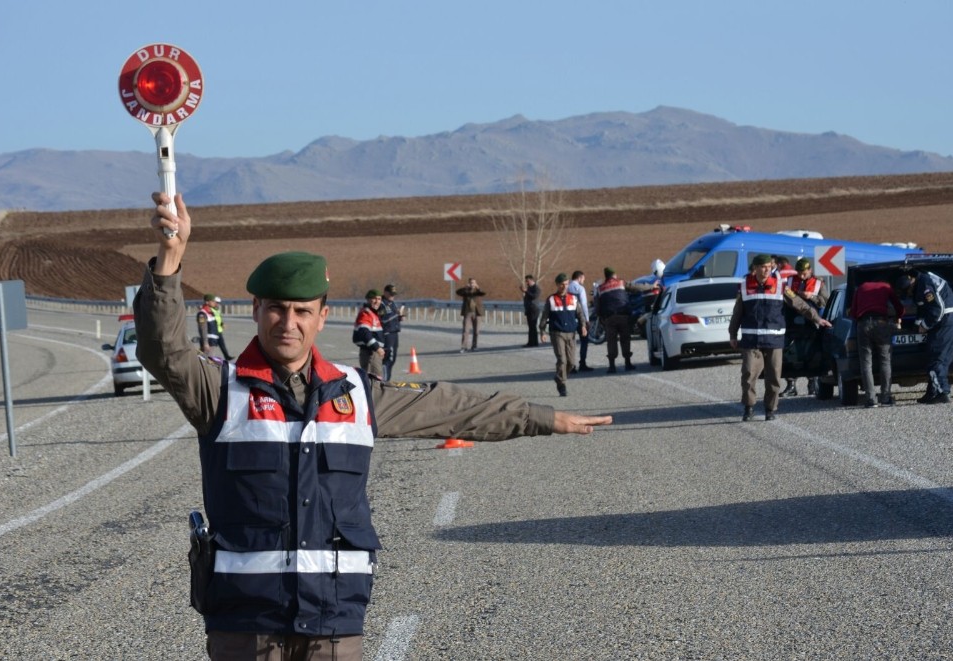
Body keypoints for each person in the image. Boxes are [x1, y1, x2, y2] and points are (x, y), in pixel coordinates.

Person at [134, 192, 612, 661]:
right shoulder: (219, 389)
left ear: (323, 318)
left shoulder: (356, 393)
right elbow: (163, 350)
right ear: (256, 309)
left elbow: (451, 408)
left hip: (334, 622)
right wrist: (170, 259)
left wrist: (541, 418)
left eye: (302, 311)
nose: (288, 322)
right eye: (277, 308)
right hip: (246, 626)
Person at [729, 254, 831, 421]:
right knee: (748, 375)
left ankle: (770, 409)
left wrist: (817, 319)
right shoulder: (744, 286)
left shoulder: (780, 286)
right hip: (751, 341)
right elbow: (737, 313)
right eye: (763, 267)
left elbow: (800, 305)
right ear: (755, 268)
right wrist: (732, 334)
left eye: (769, 266)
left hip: (774, 340)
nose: (767, 269)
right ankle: (749, 408)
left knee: (774, 377)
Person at [897, 270, 953, 404]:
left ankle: (942, 393)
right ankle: (932, 393)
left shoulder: (925, 284)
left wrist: (925, 326)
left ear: (912, 281)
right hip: (951, 321)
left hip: (945, 322)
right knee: (942, 360)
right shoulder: (922, 284)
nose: (908, 293)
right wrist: (916, 327)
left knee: (935, 359)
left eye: (908, 289)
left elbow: (936, 310)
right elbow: (923, 311)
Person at [849, 279, 904, 407]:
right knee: (885, 361)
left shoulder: (861, 287)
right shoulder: (886, 286)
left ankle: (871, 400)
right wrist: (898, 317)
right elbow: (899, 307)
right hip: (881, 324)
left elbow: (853, 313)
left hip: (863, 325)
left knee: (866, 363)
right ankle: (885, 398)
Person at [782, 257, 827, 396]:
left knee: (811, 353)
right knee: (788, 354)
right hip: (791, 323)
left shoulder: (818, 283)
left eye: (804, 273)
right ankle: (791, 385)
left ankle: (812, 383)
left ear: (810, 270)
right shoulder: (789, 281)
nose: (802, 275)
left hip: (811, 323)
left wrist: (811, 297)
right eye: (799, 273)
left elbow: (824, 301)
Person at [596, 266, 653, 373]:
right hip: (623, 316)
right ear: (614, 275)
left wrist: (601, 318)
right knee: (625, 339)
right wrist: (651, 286)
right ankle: (627, 363)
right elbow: (637, 287)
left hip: (609, 318)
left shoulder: (600, 288)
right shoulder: (621, 283)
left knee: (611, 341)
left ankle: (612, 366)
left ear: (606, 276)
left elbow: (598, 306)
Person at [539, 273, 588, 396]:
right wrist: (542, 331)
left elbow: (580, 314)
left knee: (571, 363)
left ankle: (559, 377)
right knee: (562, 360)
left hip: (571, 333)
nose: (564, 286)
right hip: (557, 333)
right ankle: (562, 384)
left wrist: (583, 325)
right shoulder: (551, 300)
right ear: (557, 284)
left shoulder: (573, 298)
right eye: (562, 284)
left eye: (566, 284)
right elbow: (544, 317)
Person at [353, 289, 386, 379]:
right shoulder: (366, 313)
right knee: (374, 381)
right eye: (374, 299)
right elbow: (365, 333)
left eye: (379, 299)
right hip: (370, 354)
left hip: (373, 353)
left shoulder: (374, 313)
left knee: (375, 381)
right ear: (368, 299)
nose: (377, 301)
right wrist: (377, 348)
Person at [567, 270, 594, 371]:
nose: (583, 280)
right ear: (579, 278)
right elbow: (583, 305)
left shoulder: (567, 288)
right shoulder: (580, 289)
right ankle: (582, 363)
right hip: (580, 318)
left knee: (571, 343)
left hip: (569, 318)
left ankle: (571, 365)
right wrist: (587, 319)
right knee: (584, 341)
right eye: (583, 278)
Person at [378, 284, 404, 381]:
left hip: (394, 333)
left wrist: (399, 317)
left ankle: (386, 379)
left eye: (394, 294)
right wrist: (395, 315)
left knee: (392, 360)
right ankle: (384, 381)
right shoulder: (382, 304)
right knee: (388, 359)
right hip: (387, 334)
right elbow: (383, 319)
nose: (392, 296)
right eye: (390, 294)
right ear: (385, 292)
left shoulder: (391, 303)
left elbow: (392, 317)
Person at [455, 277, 485, 352]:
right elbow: (458, 292)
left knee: (476, 331)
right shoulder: (465, 291)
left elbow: (483, 293)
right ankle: (464, 347)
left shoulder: (478, 291)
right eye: (471, 283)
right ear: (469, 283)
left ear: (475, 283)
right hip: (467, 312)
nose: (472, 284)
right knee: (465, 330)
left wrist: (478, 287)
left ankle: (474, 346)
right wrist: (465, 287)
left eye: (473, 283)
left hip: (477, 312)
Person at [211, 296, 234, 360]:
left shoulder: (217, 310)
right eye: (216, 302)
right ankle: (209, 358)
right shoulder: (210, 310)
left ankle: (227, 356)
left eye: (218, 303)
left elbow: (219, 319)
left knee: (222, 345)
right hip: (213, 331)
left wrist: (222, 324)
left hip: (219, 330)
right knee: (212, 346)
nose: (217, 304)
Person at [521, 275, 542, 347]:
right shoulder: (530, 288)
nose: (526, 283)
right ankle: (533, 342)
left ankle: (532, 343)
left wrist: (526, 291)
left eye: (527, 281)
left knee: (533, 326)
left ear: (531, 280)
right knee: (531, 326)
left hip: (534, 309)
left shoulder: (536, 288)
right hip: (529, 309)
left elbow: (534, 296)